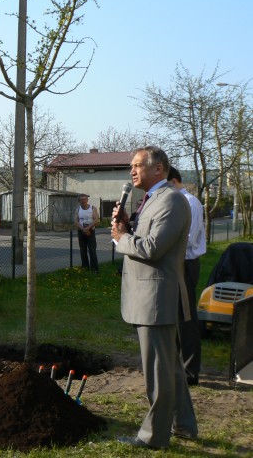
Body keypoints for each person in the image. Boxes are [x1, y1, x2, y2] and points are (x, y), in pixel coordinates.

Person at [111, 146, 197, 449]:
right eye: (131, 167)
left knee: (158, 374)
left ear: (158, 168)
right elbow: (143, 236)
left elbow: (151, 248)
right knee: (171, 367)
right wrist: (126, 224)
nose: (132, 171)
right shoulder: (150, 200)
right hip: (148, 296)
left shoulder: (171, 201)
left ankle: (153, 437)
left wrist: (122, 238)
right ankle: (184, 425)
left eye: (137, 165)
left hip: (157, 298)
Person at [168, 167, 206, 386]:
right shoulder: (175, 201)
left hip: (186, 263)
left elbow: (188, 239)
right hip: (175, 263)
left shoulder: (189, 202)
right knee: (174, 316)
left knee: (186, 318)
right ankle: (176, 366)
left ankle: (190, 371)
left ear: (173, 181)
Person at [74, 194, 100, 273]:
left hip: (90, 231)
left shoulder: (92, 208)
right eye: (81, 199)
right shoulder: (78, 209)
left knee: (92, 251)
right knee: (83, 251)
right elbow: (76, 221)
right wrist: (83, 229)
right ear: (79, 201)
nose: (83, 201)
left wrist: (88, 228)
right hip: (81, 231)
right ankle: (85, 267)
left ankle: (94, 269)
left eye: (84, 199)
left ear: (87, 200)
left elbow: (96, 219)